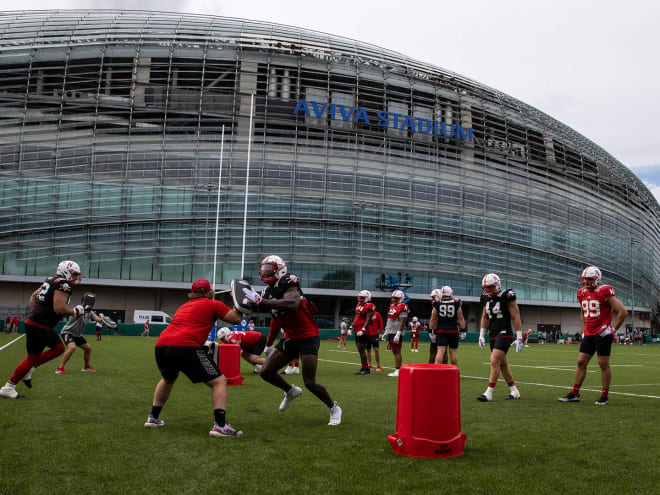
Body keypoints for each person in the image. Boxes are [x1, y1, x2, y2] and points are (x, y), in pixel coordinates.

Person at [144, 278, 251, 437]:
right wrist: (243, 303)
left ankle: (153, 418)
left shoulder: (183, 306)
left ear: (192, 293)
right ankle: (220, 426)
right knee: (219, 381)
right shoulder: (212, 303)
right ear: (210, 292)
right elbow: (235, 319)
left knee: (168, 379)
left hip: (162, 345)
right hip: (186, 345)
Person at [256, 255, 342, 426]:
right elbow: (274, 319)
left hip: (307, 335)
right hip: (290, 336)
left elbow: (292, 303)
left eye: (269, 269)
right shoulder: (266, 291)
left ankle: (333, 407)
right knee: (265, 372)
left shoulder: (289, 282)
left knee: (310, 382)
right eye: (264, 269)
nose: (266, 272)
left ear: (280, 269)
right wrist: (269, 343)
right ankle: (290, 391)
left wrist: (262, 302)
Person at [0, 261, 83, 399]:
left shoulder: (50, 280)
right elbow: (59, 309)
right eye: (74, 274)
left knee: (58, 348)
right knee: (32, 358)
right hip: (40, 325)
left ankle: (30, 370)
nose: (75, 277)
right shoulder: (64, 284)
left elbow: (33, 296)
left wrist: (34, 315)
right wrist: (75, 311)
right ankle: (8, 387)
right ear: (66, 271)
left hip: (39, 323)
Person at [558, 266, 627, 406]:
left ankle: (604, 396)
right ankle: (575, 393)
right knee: (581, 362)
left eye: (589, 279)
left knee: (603, 363)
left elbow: (623, 311)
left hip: (603, 333)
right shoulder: (581, 293)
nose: (586, 282)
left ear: (597, 279)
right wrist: (584, 330)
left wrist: (612, 329)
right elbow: (583, 312)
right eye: (584, 279)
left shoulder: (605, 291)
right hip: (589, 333)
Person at [476, 273, 523, 402]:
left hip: (505, 332)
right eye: (485, 288)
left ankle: (488, 392)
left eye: (490, 287)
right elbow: (485, 316)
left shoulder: (506, 295)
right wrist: (481, 335)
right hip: (493, 333)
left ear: (497, 285)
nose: (487, 290)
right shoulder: (485, 298)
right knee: (503, 365)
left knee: (494, 360)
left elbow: (516, 316)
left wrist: (519, 337)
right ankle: (515, 391)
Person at [56, 293, 102, 374]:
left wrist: (104, 320)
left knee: (88, 349)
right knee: (72, 348)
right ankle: (60, 368)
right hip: (67, 332)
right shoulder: (78, 308)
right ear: (84, 301)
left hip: (77, 335)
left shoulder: (90, 312)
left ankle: (86, 367)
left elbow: (98, 319)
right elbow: (77, 312)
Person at [429, 286, 465, 367]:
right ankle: (454, 371)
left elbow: (433, 318)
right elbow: (460, 317)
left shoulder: (437, 303)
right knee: (453, 352)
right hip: (453, 330)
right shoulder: (456, 302)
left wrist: (430, 330)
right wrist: (463, 329)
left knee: (440, 351)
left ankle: (437, 371)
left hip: (441, 330)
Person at [381, 290, 408, 377]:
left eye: (396, 298)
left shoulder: (403, 306)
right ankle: (398, 369)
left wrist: (398, 333)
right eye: (393, 298)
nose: (394, 300)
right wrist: (386, 331)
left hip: (396, 331)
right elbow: (390, 319)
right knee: (394, 351)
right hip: (391, 331)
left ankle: (398, 370)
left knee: (397, 351)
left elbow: (402, 321)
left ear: (401, 298)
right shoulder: (392, 306)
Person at [352, 290, 376, 375]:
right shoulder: (359, 305)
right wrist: (351, 326)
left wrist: (363, 329)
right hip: (357, 330)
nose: (361, 299)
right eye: (360, 297)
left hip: (363, 331)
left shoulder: (369, 305)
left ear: (367, 298)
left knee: (362, 350)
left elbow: (368, 319)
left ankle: (366, 368)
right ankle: (364, 367)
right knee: (360, 350)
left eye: (363, 298)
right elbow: (356, 317)